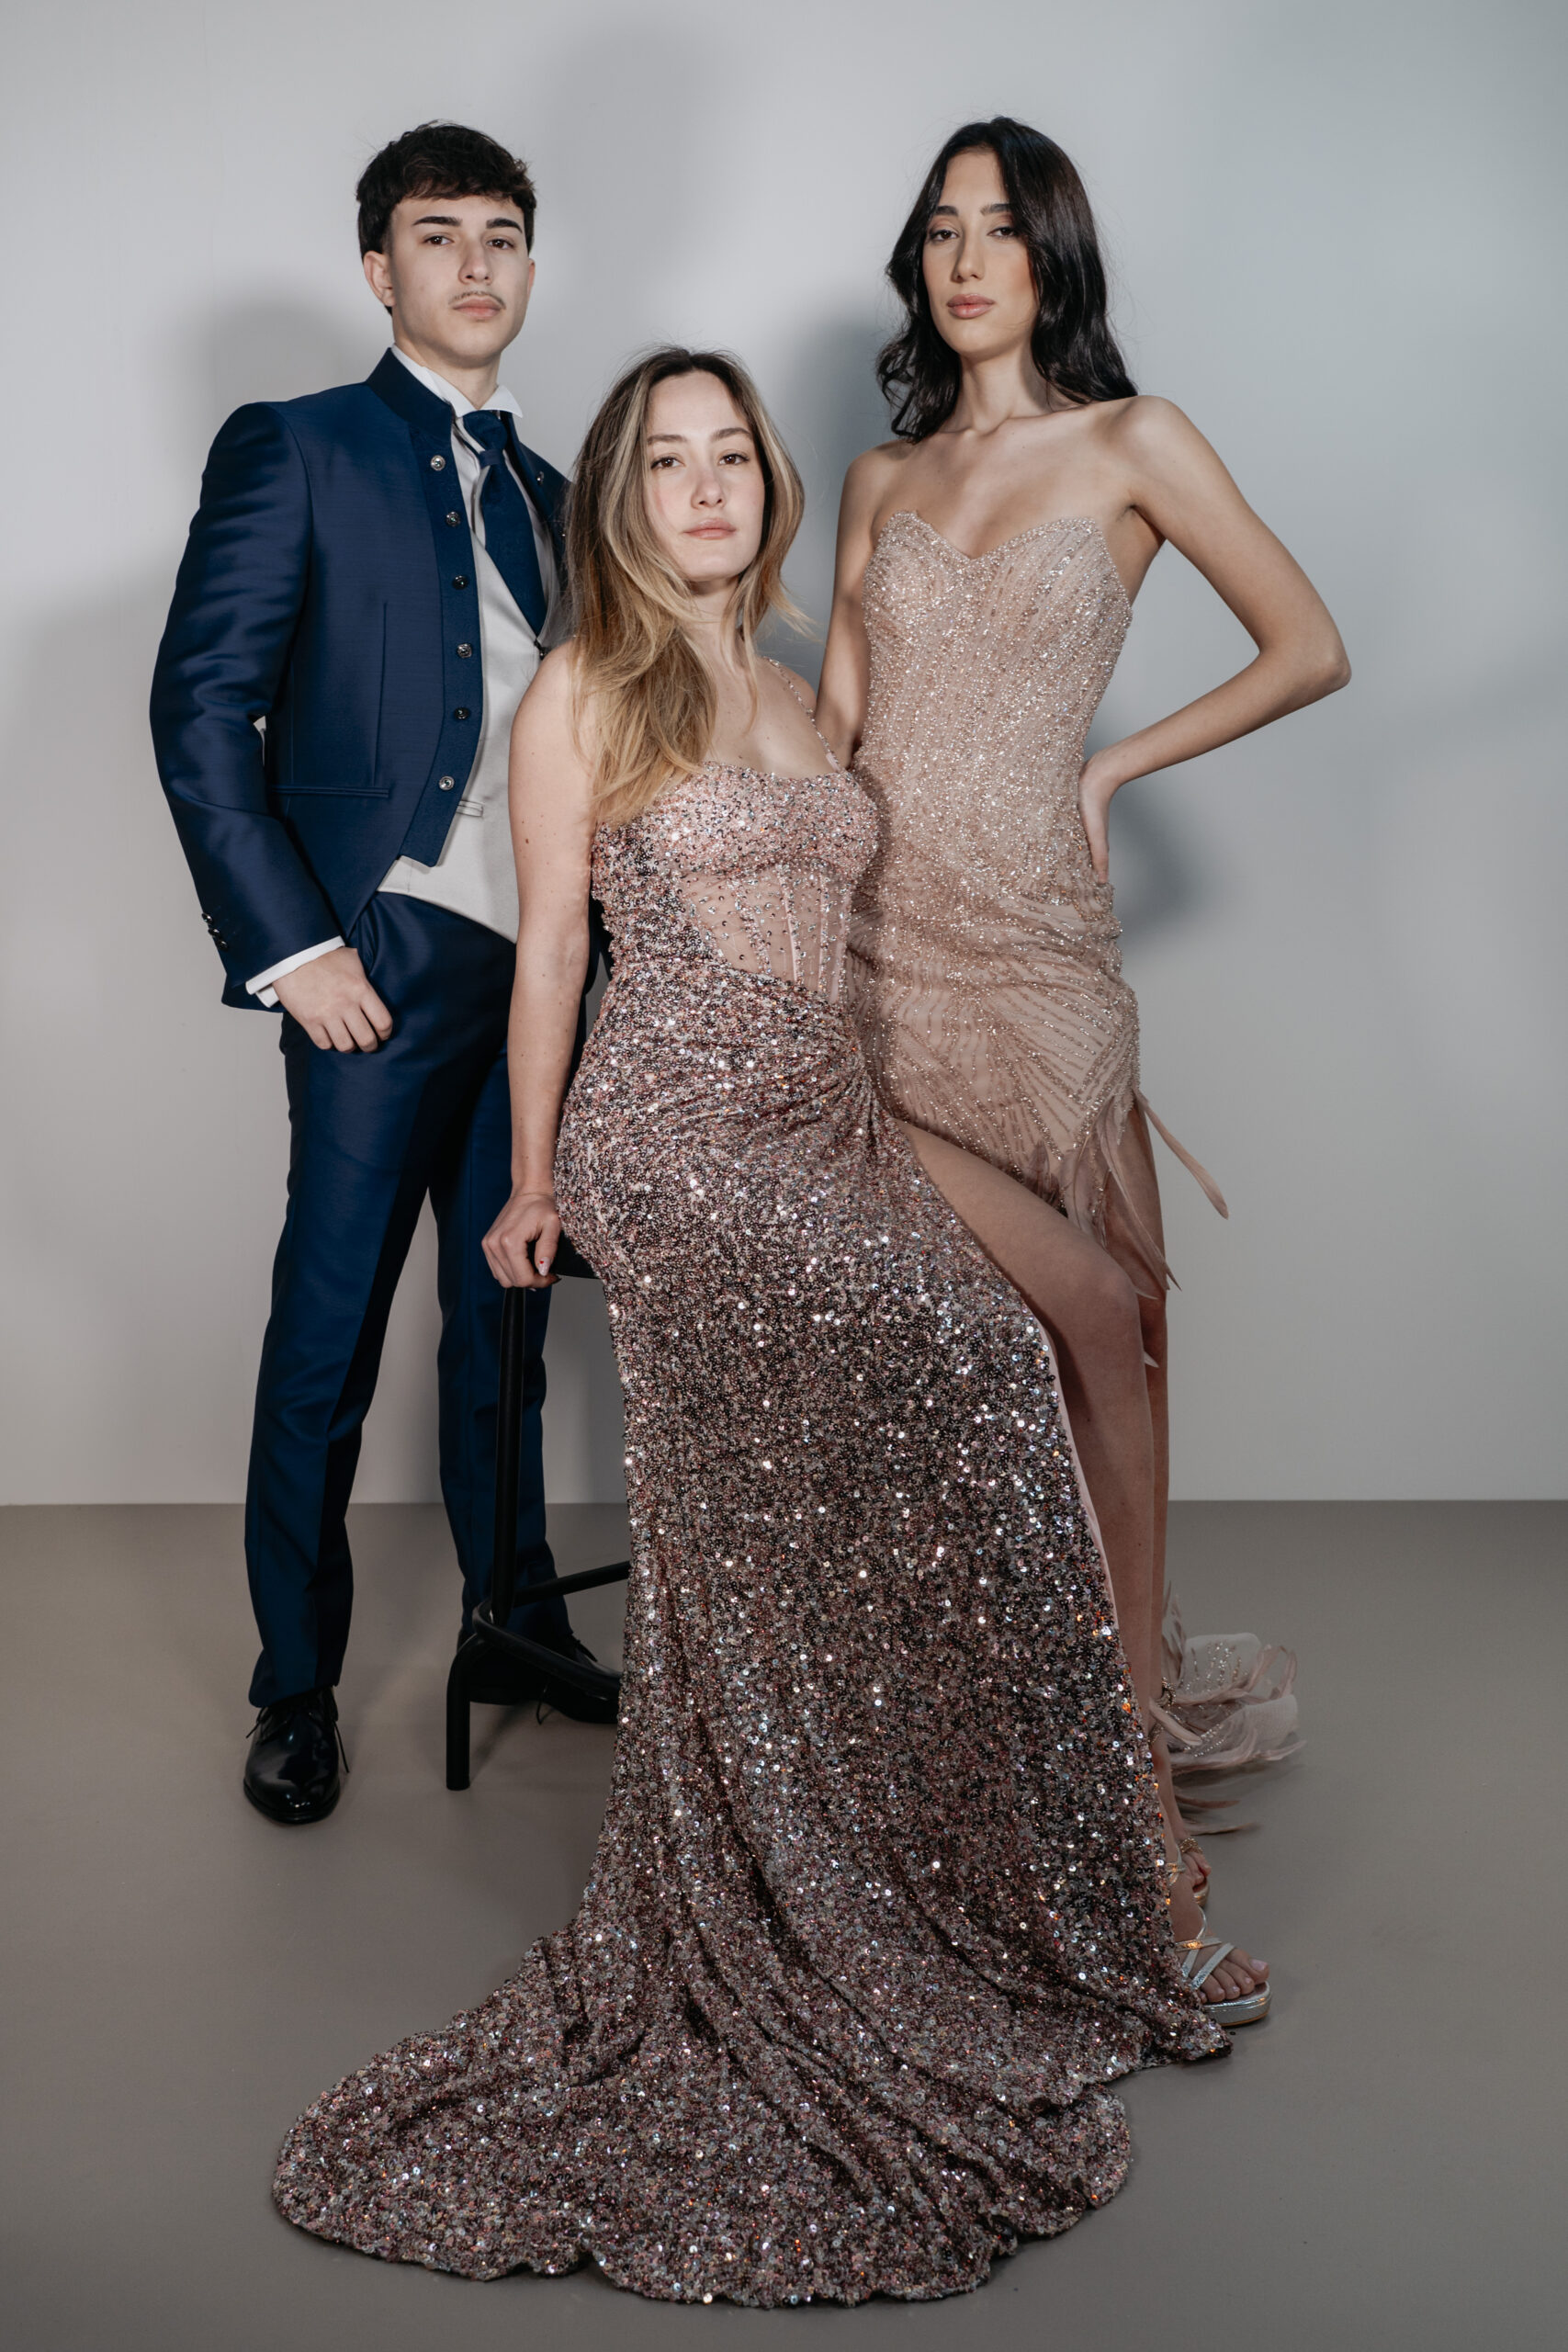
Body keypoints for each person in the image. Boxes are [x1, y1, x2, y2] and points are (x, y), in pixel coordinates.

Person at [272, 347, 1250, 2308]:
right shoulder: (587, 687)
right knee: (961, 1362)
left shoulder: (805, 687)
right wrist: (533, 1178)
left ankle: (1026, 1836)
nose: (707, 483)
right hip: (676, 1131)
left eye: (732, 454)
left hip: (828, 1107)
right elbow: (552, 949)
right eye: (668, 458)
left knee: (1071, 1308)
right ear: (622, 496)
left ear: (769, 490)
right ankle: (890, 1858)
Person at [815, 117, 1347, 1996]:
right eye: (939, 231)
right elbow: (834, 739)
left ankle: (1129, 1799)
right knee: (926, 1392)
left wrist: (1113, 765)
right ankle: (939, 1781)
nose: (967, 260)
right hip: (879, 966)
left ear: (1051, 255)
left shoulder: (1134, 442)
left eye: (1000, 228)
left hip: (1040, 970)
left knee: (1113, 1349)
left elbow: (1306, 644)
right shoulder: (876, 473)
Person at [150, 122, 614, 1829]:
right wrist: (295, 946)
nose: (476, 264)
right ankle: (296, 1687)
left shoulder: (565, 498)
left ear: (530, 267)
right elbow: (202, 705)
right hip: (378, 958)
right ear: (379, 269)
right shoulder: (298, 446)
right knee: (328, 1335)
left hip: (544, 972)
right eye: (439, 235)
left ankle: (515, 1622)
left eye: (502, 235)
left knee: (507, 1320)